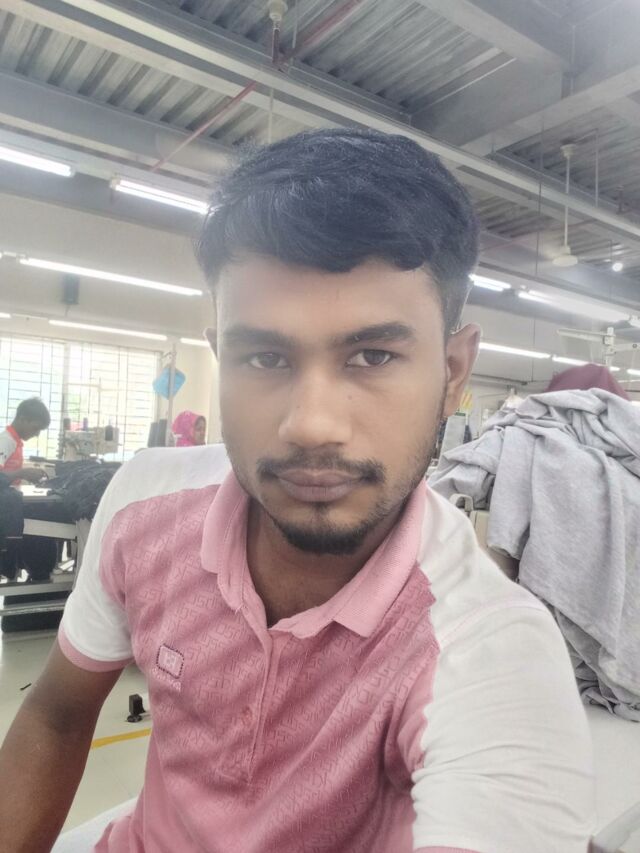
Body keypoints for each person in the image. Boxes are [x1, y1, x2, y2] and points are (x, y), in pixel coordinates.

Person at [0, 129, 594, 853]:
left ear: (453, 371)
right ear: (222, 357)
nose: (312, 424)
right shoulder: (145, 506)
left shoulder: (488, 649)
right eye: (265, 357)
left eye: (373, 355)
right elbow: (56, 715)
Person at [0, 397, 51, 485]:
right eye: (35, 428)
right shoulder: (5, 441)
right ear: (22, 420)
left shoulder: (15, 442)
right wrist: (21, 473)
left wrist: (24, 475)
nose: (37, 434)